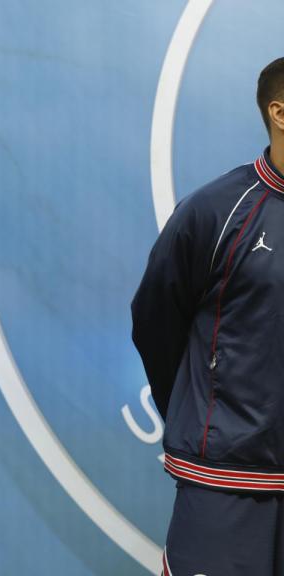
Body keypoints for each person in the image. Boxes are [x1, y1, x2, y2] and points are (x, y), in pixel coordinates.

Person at [132, 57, 284, 576]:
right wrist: (201, 414)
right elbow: (155, 319)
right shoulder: (217, 211)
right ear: (279, 112)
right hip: (226, 482)